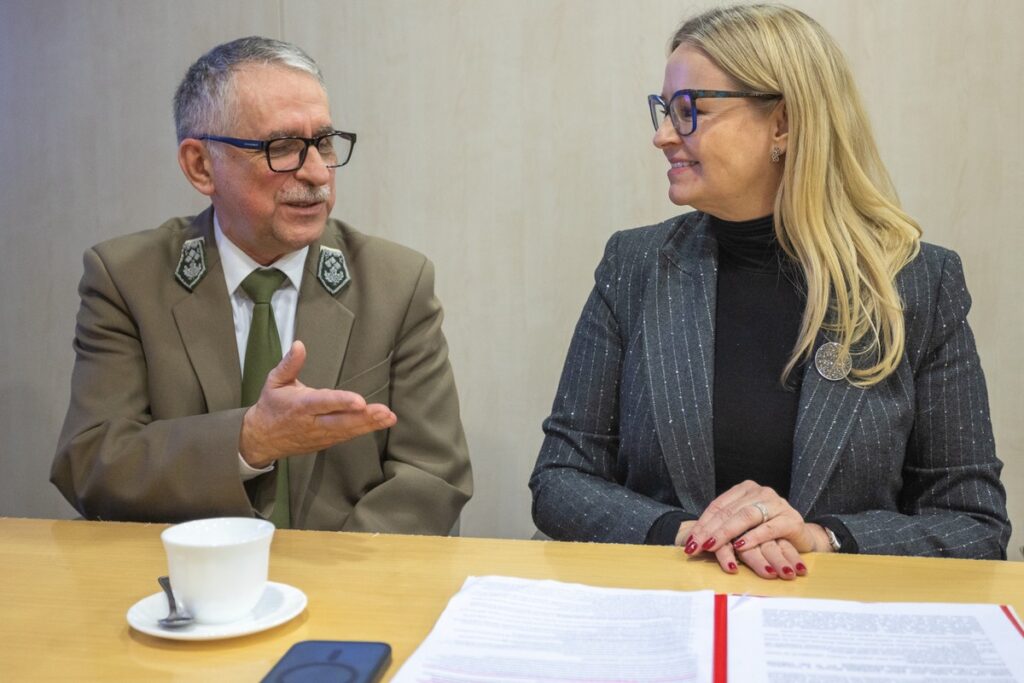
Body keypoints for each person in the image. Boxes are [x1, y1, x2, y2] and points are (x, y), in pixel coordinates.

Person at [530, 4, 1010, 578]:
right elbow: (561, 477)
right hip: (663, 609)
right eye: (663, 110)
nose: (661, 136)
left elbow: (972, 522)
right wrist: (692, 534)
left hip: (841, 630)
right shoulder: (635, 266)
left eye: (689, 110)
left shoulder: (917, 281)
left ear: (781, 123)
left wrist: (819, 537)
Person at [51, 37, 472, 533]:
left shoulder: (397, 283)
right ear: (200, 166)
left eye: (324, 142)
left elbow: (432, 476)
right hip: (188, 582)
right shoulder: (127, 280)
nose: (317, 173)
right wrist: (248, 440)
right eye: (283, 148)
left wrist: (329, 582)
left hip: (346, 583)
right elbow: (93, 463)